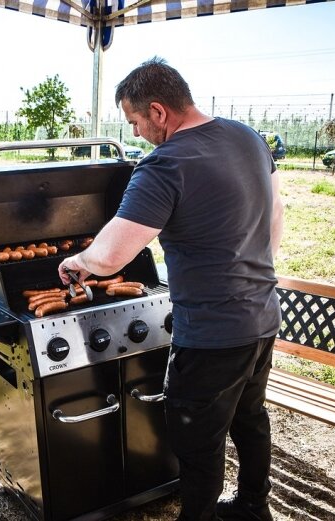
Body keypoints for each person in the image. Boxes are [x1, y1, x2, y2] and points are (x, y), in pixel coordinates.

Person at [57, 57, 284, 521]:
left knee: (196, 441)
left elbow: (110, 257)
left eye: (136, 121)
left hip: (211, 334)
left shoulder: (165, 164)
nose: (137, 132)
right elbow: (277, 214)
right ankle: (253, 508)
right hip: (262, 317)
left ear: (158, 111)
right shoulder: (247, 137)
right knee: (250, 420)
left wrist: (78, 261)